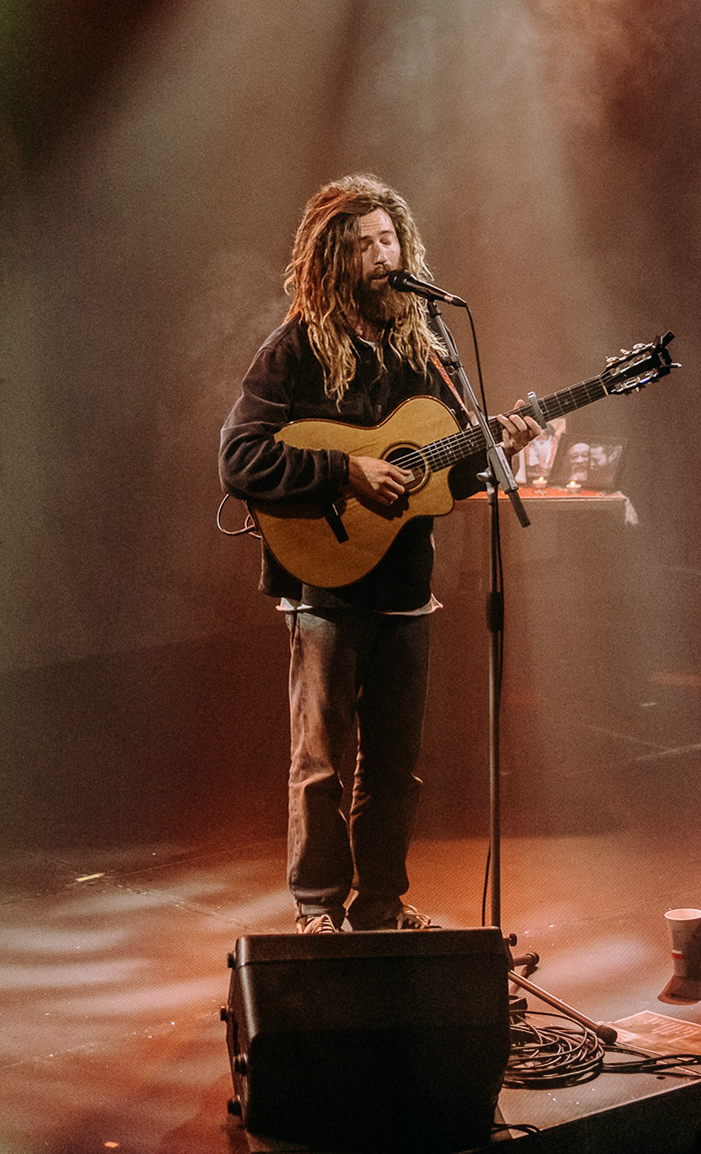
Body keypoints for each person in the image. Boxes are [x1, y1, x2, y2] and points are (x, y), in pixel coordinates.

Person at [219, 174, 538, 933]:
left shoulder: (427, 347)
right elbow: (239, 457)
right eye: (362, 244)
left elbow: (446, 475)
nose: (380, 255)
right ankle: (318, 906)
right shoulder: (294, 348)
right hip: (323, 588)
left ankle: (382, 901)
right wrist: (344, 469)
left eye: (388, 239)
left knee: (396, 764)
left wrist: (502, 444)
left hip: (404, 586)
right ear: (333, 259)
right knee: (321, 762)